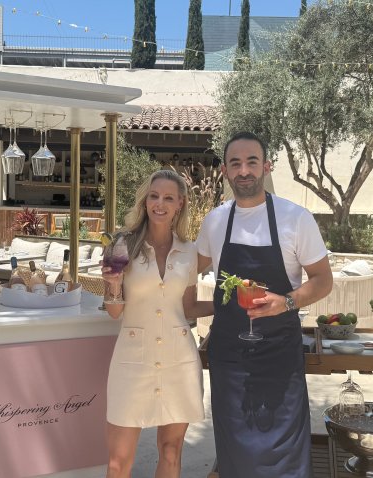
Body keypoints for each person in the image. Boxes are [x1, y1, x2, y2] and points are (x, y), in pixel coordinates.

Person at [196, 132, 333, 477]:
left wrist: (286, 302)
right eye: (235, 163)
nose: (244, 170)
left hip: (279, 355)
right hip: (229, 358)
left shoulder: (295, 218)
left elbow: (323, 280)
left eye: (251, 162)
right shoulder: (215, 221)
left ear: (267, 167)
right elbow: (182, 270)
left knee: (284, 454)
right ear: (225, 171)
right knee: (235, 452)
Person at [101, 169, 213, 478]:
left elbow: (188, 307)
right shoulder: (121, 244)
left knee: (171, 451)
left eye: (168, 198)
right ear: (145, 201)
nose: (159, 204)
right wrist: (112, 284)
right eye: (154, 196)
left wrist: (227, 306)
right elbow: (114, 311)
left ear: (180, 204)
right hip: (131, 362)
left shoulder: (189, 252)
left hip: (179, 361)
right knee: (118, 462)